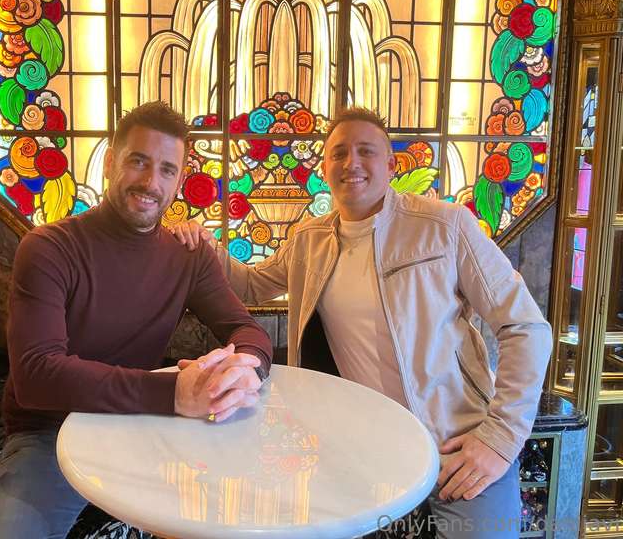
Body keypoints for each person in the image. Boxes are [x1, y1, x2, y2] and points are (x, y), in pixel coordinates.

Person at [171, 106, 552, 538]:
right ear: (325, 169)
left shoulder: (445, 226)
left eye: (366, 151)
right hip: (367, 456)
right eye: (339, 153)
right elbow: (252, 286)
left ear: (391, 165)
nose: (351, 163)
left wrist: (500, 439)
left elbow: (526, 327)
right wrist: (205, 246)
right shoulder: (309, 239)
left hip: (457, 446)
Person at [0, 101, 272, 539]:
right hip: (48, 436)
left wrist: (245, 368)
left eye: (167, 169)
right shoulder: (49, 248)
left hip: (137, 428)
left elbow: (246, 330)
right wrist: (174, 393)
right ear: (110, 162)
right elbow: (36, 375)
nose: (151, 182)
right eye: (138, 161)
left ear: (179, 182)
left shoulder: (188, 256)